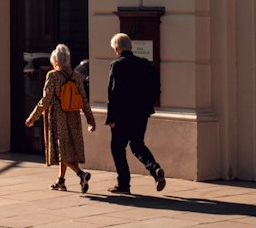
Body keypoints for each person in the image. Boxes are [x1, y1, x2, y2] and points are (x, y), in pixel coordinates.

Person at [24, 42, 96, 192]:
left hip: (58, 117)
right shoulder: (76, 75)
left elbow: (46, 100)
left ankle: (81, 174)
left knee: (62, 151)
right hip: (73, 117)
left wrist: (32, 117)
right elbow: (83, 99)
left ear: (55, 60)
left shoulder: (52, 76)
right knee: (66, 149)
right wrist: (91, 120)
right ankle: (61, 181)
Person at [106, 32, 165, 195]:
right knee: (137, 145)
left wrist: (111, 118)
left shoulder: (116, 65)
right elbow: (156, 86)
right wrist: (148, 104)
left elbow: (113, 93)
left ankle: (123, 184)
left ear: (117, 49)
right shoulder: (144, 64)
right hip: (141, 113)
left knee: (117, 148)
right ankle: (155, 169)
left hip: (122, 115)